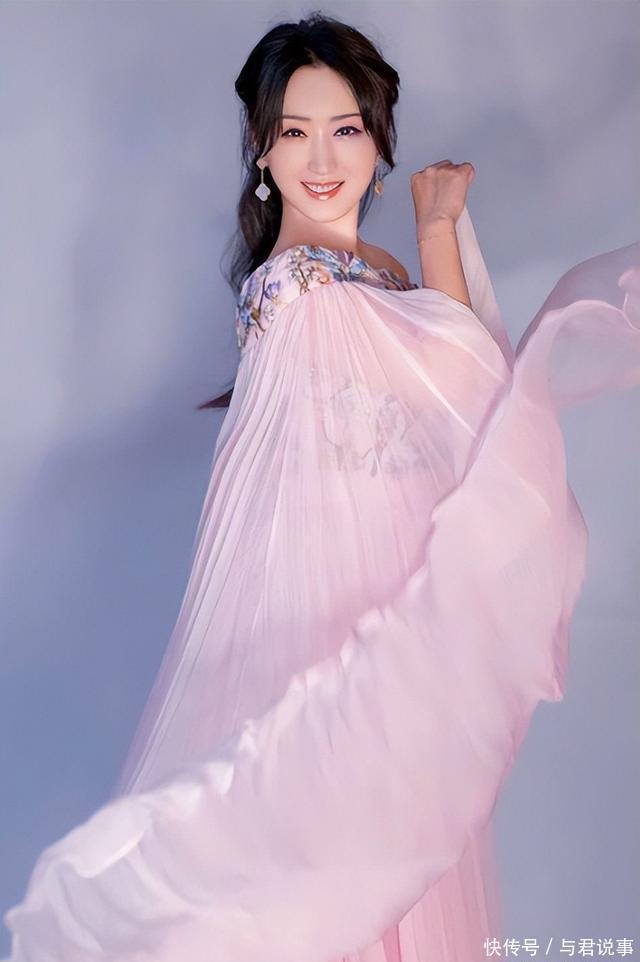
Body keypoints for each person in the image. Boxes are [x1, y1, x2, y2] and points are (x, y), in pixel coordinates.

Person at [3, 13, 639, 962]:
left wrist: (428, 236)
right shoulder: (299, 292)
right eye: (294, 132)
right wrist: (437, 226)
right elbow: (466, 383)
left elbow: (461, 409)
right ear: (262, 151)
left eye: (344, 128)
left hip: (385, 622)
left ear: (379, 138)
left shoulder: (369, 277)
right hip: (332, 638)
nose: (322, 157)